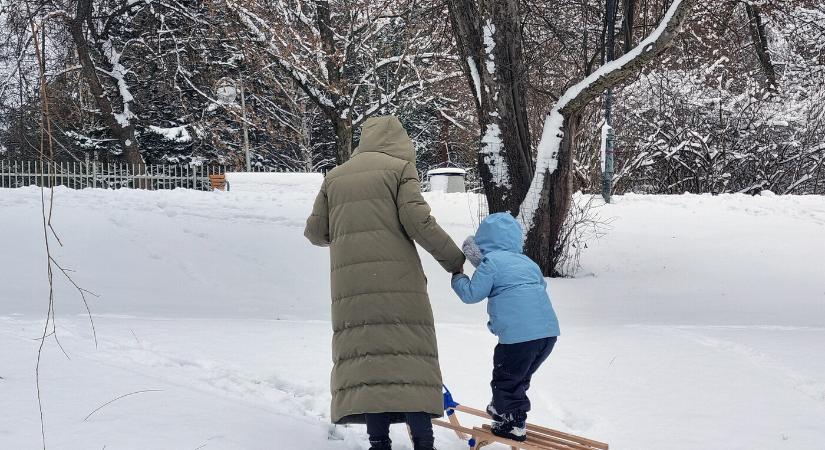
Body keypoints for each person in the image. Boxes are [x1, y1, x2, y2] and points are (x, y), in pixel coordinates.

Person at [304, 116, 465, 450]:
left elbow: (316, 233)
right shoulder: (399, 170)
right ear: (400, 141)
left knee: (371, 365)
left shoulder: (335, 177)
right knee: (410, 361)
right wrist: (455, 261)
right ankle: (423, 442)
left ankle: (379, 443)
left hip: (351, 290)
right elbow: (418, 222)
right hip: (399, 284)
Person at [451, 212, 560, 442]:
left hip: (519, 337)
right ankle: (506, 409)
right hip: (547, 334)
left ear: (482, 244)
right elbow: (540, 286)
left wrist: (458, 277)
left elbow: (471, 295)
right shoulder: (528, 263)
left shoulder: (491, 263)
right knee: (518, 376)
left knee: (506, 377)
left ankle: (512, 422)